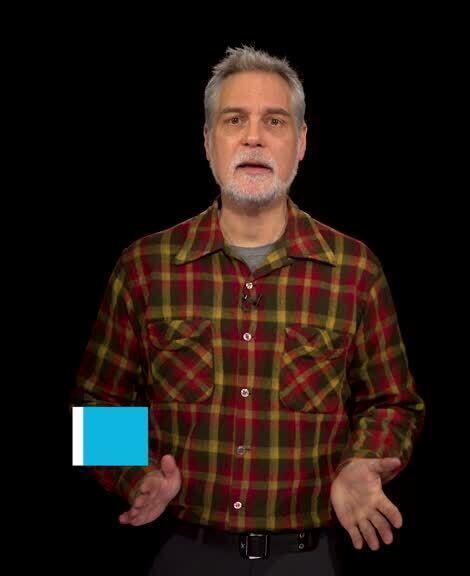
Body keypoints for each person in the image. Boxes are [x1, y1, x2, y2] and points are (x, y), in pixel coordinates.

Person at [73, 47, 424, 574]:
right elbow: (97, 403)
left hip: (306, 560)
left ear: (301, 143)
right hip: (180, 552)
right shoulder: (144, 267)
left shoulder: (355, 270)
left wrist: (360, 463)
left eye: (274, 121)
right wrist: (134, 474)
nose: (253, 136)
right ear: (208, 143)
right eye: (234, 120)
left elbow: (394, 403)